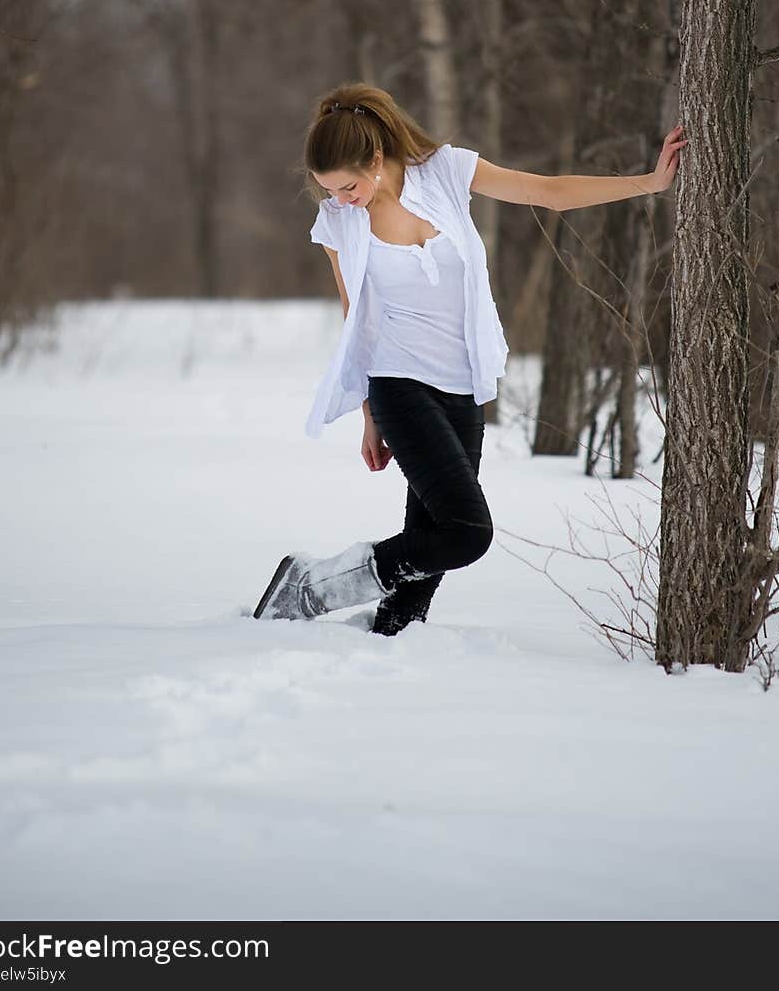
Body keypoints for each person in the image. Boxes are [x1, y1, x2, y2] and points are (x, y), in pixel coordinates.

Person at [253, 83, 686, 634]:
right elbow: (355, 319)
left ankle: (389, 636)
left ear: (378, 159)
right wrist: (369, 412)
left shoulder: (445, 172)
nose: (341, 199)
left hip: (459, 383)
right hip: (397, 382)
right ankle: (313, 588)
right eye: (329, 191)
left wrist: (647, 183)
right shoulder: (340, 222)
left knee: (426, 555)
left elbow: (547, 192)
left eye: (348, 185)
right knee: (466, 533)